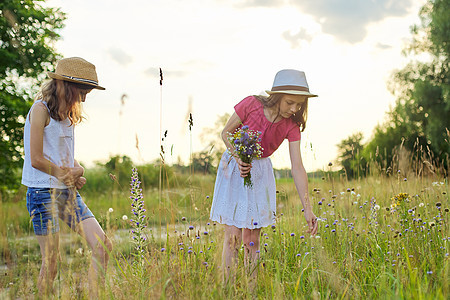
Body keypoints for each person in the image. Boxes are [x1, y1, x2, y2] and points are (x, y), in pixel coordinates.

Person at [210, 69, 319, 280]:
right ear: (277, 97)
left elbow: (297, 166)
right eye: (289, 102)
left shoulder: (292, 125)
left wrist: (308, 208)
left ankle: (251, 291)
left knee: (252, 239)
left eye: (299, 104)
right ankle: (227, 290)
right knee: (232, 237)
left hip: (260, 173)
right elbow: (226, 133)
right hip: (235, 166)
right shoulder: (251, 104)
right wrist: (239, 156)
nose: (294, 108)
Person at [21, 57, 112, 296]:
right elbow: (36, 159)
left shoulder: (68, 115)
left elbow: (69, 159)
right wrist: (66, 175)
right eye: (83, 92)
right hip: (42, 193)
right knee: (51, 263)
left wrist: (77, 171)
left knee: (103, 247)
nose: (84, 98)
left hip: (67, 194)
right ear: (67, 86)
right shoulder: (40, 110)